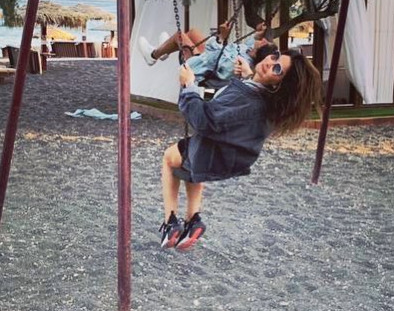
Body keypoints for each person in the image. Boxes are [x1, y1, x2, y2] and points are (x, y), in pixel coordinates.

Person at [159, 47, 323, 251]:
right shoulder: (270, 103)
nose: (270, 63)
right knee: (189, 163)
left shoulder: (247, 99)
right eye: (275, 57)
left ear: (279, 84)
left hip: (212, 152)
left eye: (277, 69)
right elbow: (251, 98)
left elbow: (203, 120)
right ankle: (193, 219)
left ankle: (170, 222)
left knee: (170, 158)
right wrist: (248, 74)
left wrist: (189, 85)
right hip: (230, 155)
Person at [138, 21, 271, 86]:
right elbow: (248, 44)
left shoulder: (238, 64)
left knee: (179, 36)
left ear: (257, 52)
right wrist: (258, 34)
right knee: (193, 32)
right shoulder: (249, 52)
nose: (264, 40)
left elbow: (214, 58)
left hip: (201, 70)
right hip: (209, 60)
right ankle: (164, 50)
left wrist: (222, 37)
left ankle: (152, 55)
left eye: (265, 43)